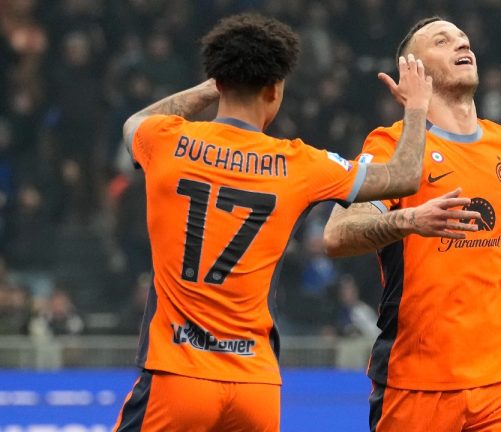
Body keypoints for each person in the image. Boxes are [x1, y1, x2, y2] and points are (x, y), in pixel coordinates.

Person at [112, 13, 433, 432]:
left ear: (219, 81)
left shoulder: (164, 140)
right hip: (256, 386)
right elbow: (404, 175)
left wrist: (209, 87)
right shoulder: (301, 163)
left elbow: (132, 123)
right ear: (275, 89)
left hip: (177, 375)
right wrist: (417, 107)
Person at [324, 17, 501, 432]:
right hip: (419, 378)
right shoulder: (392, 145)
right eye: (442, 41)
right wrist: (411, 219)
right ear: (412, 70)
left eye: (464, 39)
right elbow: (337, 235)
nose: (462, 45)